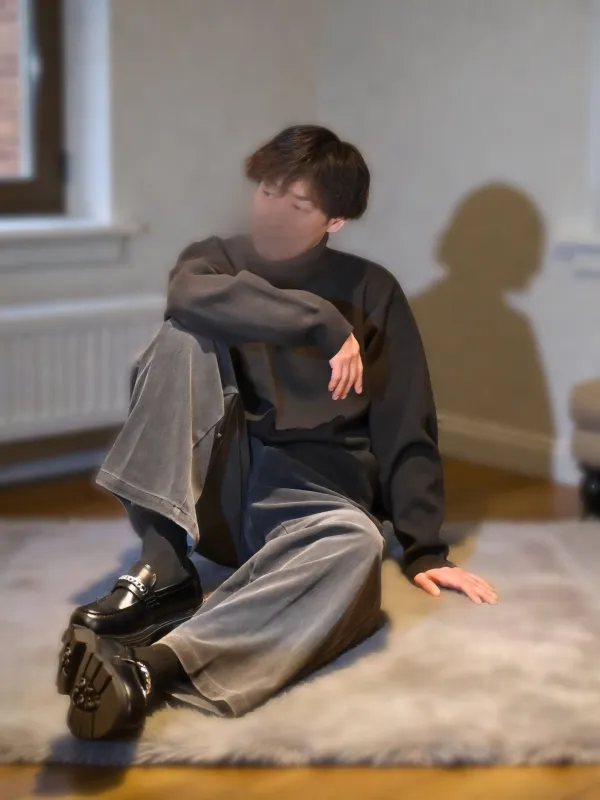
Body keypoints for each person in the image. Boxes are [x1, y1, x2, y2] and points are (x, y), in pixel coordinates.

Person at [57, 125, 498, 740]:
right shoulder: (215, 260)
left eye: (298, 204)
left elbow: (406, 419)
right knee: (181, 335)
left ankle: (150, 669)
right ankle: (164, 568)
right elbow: (186, 296)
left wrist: (423, 548)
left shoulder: (373, 290)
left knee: (357, 547)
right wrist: (321, 322)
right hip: (216, 491)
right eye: (267, 191)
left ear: (335, 220)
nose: (272, 211)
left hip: (309, 498)